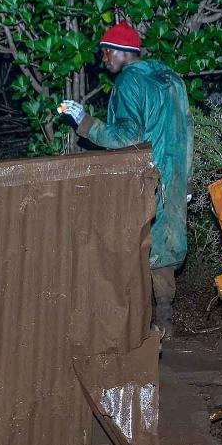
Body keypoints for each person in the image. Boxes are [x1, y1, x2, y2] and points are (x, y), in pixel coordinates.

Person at [59, 22, 190, 339]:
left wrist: (85, 122)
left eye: (106, 51)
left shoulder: (129, 81)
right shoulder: (170, 78)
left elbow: (126, 137)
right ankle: (165, 319)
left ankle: (134, 327)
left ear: (122, 52)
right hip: (173, 175)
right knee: (163, 246)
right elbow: (185, 130)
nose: (103, 59)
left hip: (146, 178)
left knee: (134, 246)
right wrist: (186, 181)